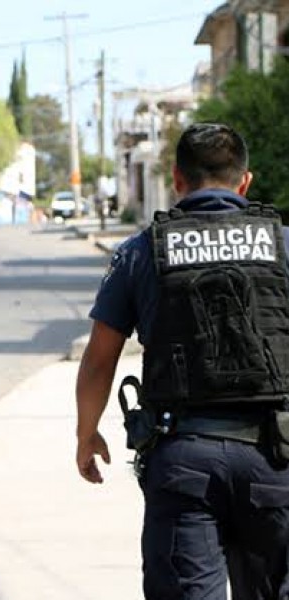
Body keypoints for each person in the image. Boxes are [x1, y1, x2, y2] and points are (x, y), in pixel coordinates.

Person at [75, 122, 289, 600]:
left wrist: (86, 433)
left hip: (184, 463)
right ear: (245, 181)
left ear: (176, 178)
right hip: (277, 459)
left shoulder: (139, 252)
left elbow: (98, 360)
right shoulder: (283, 247)